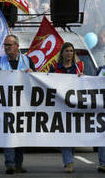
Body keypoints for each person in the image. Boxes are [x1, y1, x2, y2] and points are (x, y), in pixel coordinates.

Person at [0, 34, 35, 174]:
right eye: (5, 45)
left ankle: (18, 164)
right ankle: (9, 163)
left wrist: (32, 73)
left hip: (23, 105)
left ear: (17, 46)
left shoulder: (27, 61)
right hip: (5, 105)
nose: (7, 48)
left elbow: (37, 80)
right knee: (9, 134)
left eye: (9, 45)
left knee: (20, 136)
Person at [49, 42, 84, 173]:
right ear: (62, 53)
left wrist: (83, 78)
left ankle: (69, 160)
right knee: (65, 134)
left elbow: (92, 80)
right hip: (61, 106)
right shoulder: (54, 68)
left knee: (73, 134)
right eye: (67, 51)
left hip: (77, 106)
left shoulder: (80, 67)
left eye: (71, 51)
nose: (69, 53)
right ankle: (68, 162)